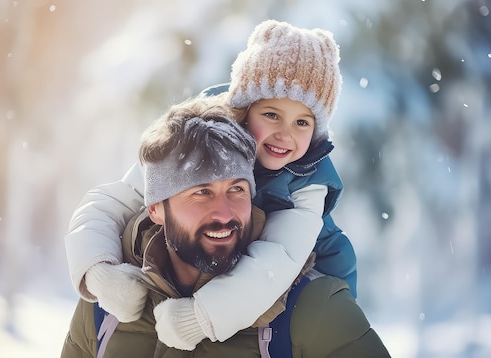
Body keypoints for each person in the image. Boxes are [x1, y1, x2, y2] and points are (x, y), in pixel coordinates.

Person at [64, 19, 358, 349]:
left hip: (312, 275)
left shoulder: (307, 185)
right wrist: (99, 271)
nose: (285, 134)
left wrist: (203, 316)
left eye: (302, 122)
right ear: (244, 111)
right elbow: (113, 201)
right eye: (272, 115)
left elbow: (277, 261)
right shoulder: (195, 140)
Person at [60, 95, 391, 357]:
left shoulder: (314, 309)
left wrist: (204, 316)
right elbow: (105, 205)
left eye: (237, 190)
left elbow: (283, 255)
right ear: (157, 209)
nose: (224, 212)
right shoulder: (104, 312)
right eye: (202, 192)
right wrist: (98, 272)